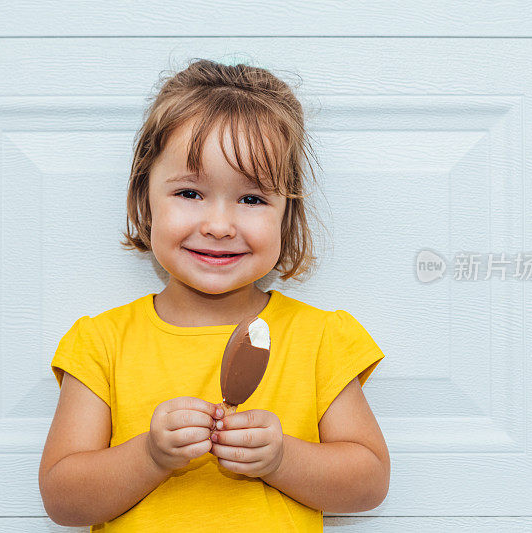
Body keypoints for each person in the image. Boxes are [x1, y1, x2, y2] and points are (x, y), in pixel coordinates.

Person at [38, 58, 389, 532]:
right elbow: (64, 501)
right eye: (189, 193)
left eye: (251, 199)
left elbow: (369, 484)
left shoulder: (323, 338)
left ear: (288, 214)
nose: (219, 226)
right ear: (145, 199)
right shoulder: (100, 343)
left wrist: (281, 457)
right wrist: (150, 455)